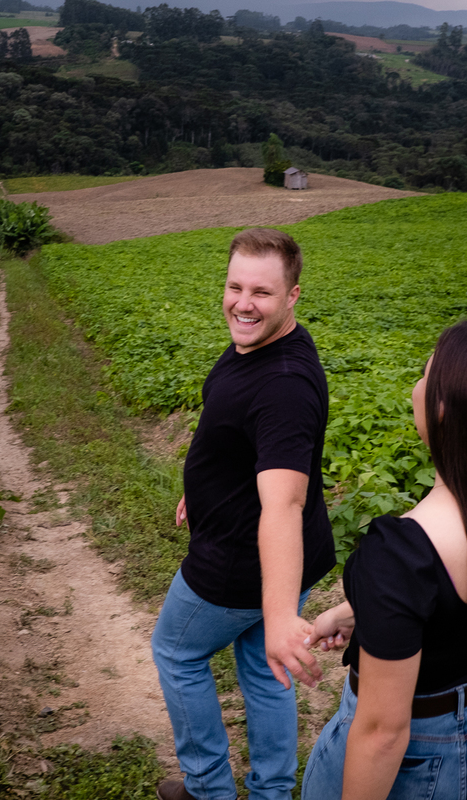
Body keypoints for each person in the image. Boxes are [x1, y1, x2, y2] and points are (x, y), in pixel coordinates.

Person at [300, 320, 467, 800]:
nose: (417, 386)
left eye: (425, 375)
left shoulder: (400, 552)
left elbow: (383, 734)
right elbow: (457, 606)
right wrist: (358, 612)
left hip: (419, 755)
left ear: (443, 409)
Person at [152, 228, 336, 800]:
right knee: (264, 669)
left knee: (176, 653)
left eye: (261, 292)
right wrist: (204, 486)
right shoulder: (263, 348)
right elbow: (240, 437)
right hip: (280, 553)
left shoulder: (284, 385)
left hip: (240, 561)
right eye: (235, 287)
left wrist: (279, 616)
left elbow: (284, 502)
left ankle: (207, 789)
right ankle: (271, 794)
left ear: (293, 296)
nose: (243, 303)